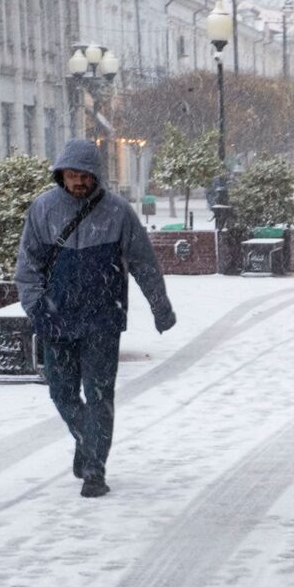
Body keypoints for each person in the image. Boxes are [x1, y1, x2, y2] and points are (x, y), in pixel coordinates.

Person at [15, 140, 176, 498]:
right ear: (61, 175)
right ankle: (87, 440)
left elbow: (143, 263)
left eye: (85, 175)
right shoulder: (42, 209)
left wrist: (160, 306)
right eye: (72, 175)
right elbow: (27, 267)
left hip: (103, 319)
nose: (79, 182)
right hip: (56, 319)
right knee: (61, 393)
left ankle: (95, 470)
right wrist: (37, 309)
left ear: (96, 176)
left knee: (100, 395)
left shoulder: (118, 212)